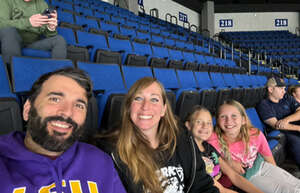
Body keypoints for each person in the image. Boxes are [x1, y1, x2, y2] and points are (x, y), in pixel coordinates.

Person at [0, 68, 126, 193]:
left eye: (79, 105)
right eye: (55, 99)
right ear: (27, 109)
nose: (67, 112)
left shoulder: (100, 162)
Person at [94, 77, 220, 193]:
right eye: (138, 98)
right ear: (128, 107)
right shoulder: (111, 152)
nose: (145, 107)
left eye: (154, 99)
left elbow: (203, 186)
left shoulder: (182, 139)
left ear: (163, 109)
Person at [209, 100, 300, 193]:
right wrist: (229, 162)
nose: (229, 121)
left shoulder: (255, 133)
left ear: (243, 120)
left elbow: (268, 157)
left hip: (262, 166)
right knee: (285, 190)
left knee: (295, 184)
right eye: (223, 117)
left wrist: (276, 174)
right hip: (248, 177)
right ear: (217, 121)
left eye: (234, 116)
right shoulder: (212, 139)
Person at [184, 105, 263, 193]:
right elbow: (221, 190)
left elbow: (233, 175)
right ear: (188, 125)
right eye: (199, 122)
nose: (205, 126)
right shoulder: (190, 154)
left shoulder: (208, 147)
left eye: (209, 123)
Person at [0, 0, 67, 64]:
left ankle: (57, 74)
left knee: (59, 40)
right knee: (8, 31)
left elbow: (48, 34)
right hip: (12, 41)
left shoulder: (42, 4)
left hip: (32, 43)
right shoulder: (6, 1)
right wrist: (28, 22)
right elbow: (2, 24)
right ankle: (12, 71)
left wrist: (51, 28)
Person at [256, 76, 300, 166]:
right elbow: (276, 125)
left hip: (293, 126)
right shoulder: (264, 104)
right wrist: (298, 128)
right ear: (271, 89)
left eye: (284, 88)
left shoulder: (287, 98)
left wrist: (286, 119)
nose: (284, 91)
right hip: (285, 132)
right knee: (295, 141)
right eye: (281, 89)